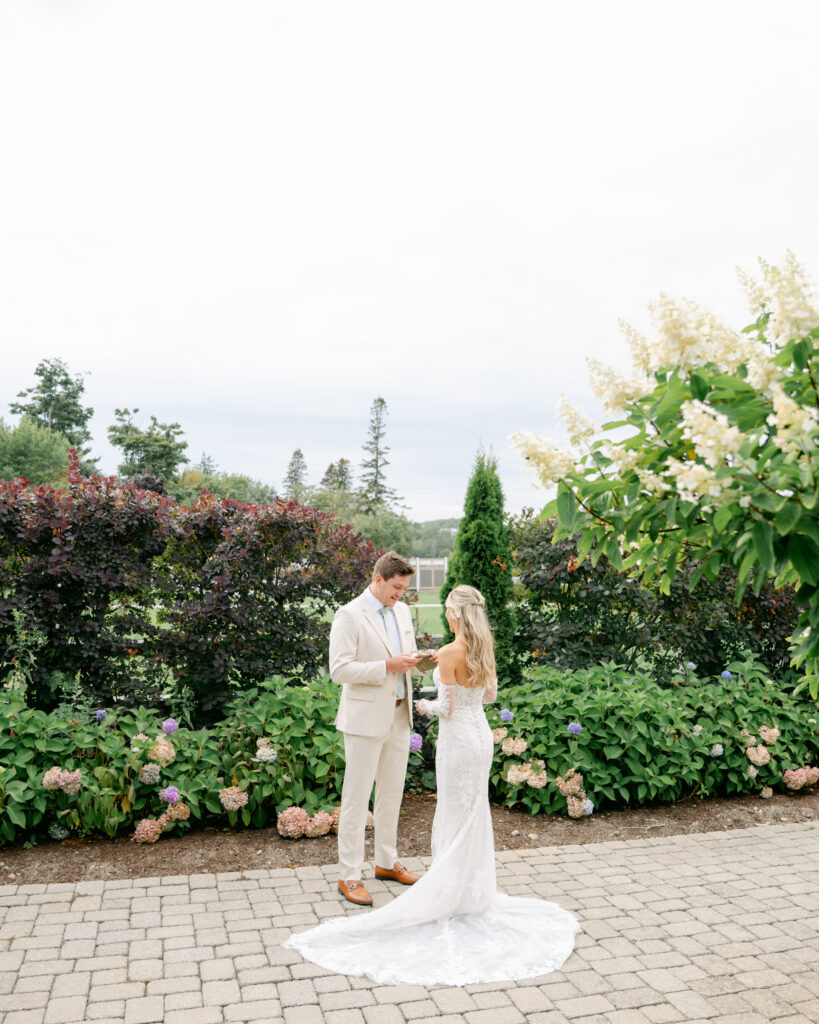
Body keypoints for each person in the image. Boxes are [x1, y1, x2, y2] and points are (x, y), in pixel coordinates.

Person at [283, 584, 580, 986]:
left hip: (457, 741)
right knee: (473, 813)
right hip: (479, 737)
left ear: (454, 614)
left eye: (446, 611)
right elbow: (488, 696)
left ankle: (443, 886)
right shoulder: (481, 648)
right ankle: (465, 891)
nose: (445, 615)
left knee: (453, 812)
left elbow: (446, 707)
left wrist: (424, 706)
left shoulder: (450, 650)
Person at [328, 551, 431, 906]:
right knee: (356, 800)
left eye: (404, 588)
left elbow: (405, 657)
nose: (400, 594)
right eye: (396, 587)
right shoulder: (349, 615)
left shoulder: (401, 611)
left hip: (400, 716)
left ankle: (386, 862)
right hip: (364, 720)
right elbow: (339, 670)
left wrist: (421, 663)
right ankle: (349, 875)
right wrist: (386, 666)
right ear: (377, 579)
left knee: (392, 795)